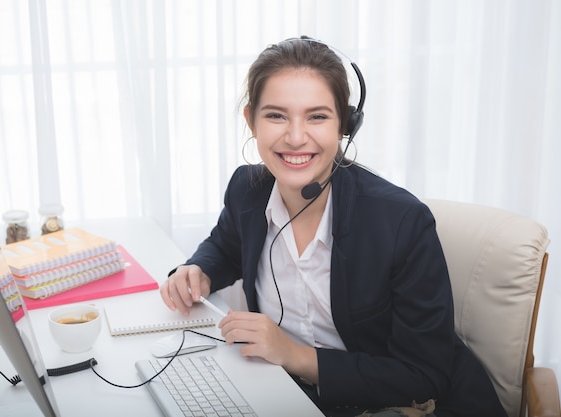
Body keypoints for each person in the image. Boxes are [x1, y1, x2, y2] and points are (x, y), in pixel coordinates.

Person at [160, 37, 507, 417]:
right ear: (251, 121)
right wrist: (198, 270)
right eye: (276, 115)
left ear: (345, 124)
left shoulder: (400, 222)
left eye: (317, 116)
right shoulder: (248, 189)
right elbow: (225, 245)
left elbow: (423, 375)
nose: (295, 137)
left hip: (408, 405)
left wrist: (292, 355)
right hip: (298, 397)